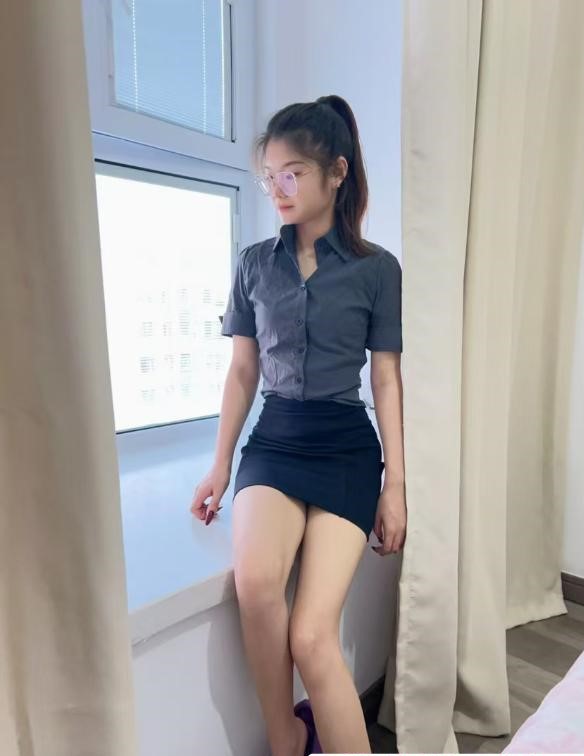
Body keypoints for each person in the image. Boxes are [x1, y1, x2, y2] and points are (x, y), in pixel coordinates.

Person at [190, 94, 406, 756]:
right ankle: (287, 737)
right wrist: (221, 464)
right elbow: (242, 372)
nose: (278, 189)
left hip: (345, 451)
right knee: (256, 587)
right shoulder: (255, 263)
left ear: (336, 173)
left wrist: (395, 486)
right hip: (276, 442)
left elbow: (385, 378)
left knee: (312, 636)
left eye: (292, 174)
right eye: (269, 177)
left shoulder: (377, 269)